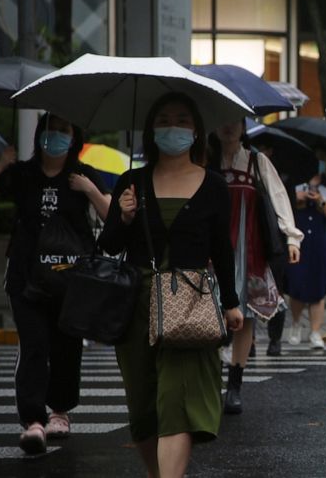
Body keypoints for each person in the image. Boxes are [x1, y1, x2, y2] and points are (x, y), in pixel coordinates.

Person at [100, 93, 244, 478]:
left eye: (182, 119)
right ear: (151, 130)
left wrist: (231, 302)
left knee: (176, 402)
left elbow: (222, 248)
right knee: (144, 406)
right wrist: (124, 217)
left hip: (188, 301)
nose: (173, 127)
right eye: (164, 119)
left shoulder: (213, 185)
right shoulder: (132, 182)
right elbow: (109, 245)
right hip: (136, 304)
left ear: (196, 131)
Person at [0, 114, 110, 454]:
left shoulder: (82, 175)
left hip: (72, 279)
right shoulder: (22, 175)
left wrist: (90, 190)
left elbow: (112, 217)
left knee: (67, 347)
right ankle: (33, 421)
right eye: (50, 129)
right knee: (33, 345)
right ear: (39, 135)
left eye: (64, 130)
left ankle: (59, 412)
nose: (55, 136)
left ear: (74, 136)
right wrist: (2, 165)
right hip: (26, 277)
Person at [209, 120, 302, 414]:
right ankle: (211, 382)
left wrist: (291, 237)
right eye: (223, 119)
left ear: (242, 126)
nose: (228, 127)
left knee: (245, 316)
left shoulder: (255, 161)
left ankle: (234, 386)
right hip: (209, 250)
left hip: (248, 250)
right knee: (209, 317)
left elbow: (278, 197)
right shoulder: (203, 158)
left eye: (235, 120)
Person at [285, 150, 326, 349]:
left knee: (318, 288)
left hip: (321, 240)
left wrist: (320, 201)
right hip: (299, 239)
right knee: (297, 285)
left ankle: (316, 332)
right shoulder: (294, 183)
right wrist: (297, 199)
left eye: (323, 160)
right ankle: (295, 323)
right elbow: (285, 211)